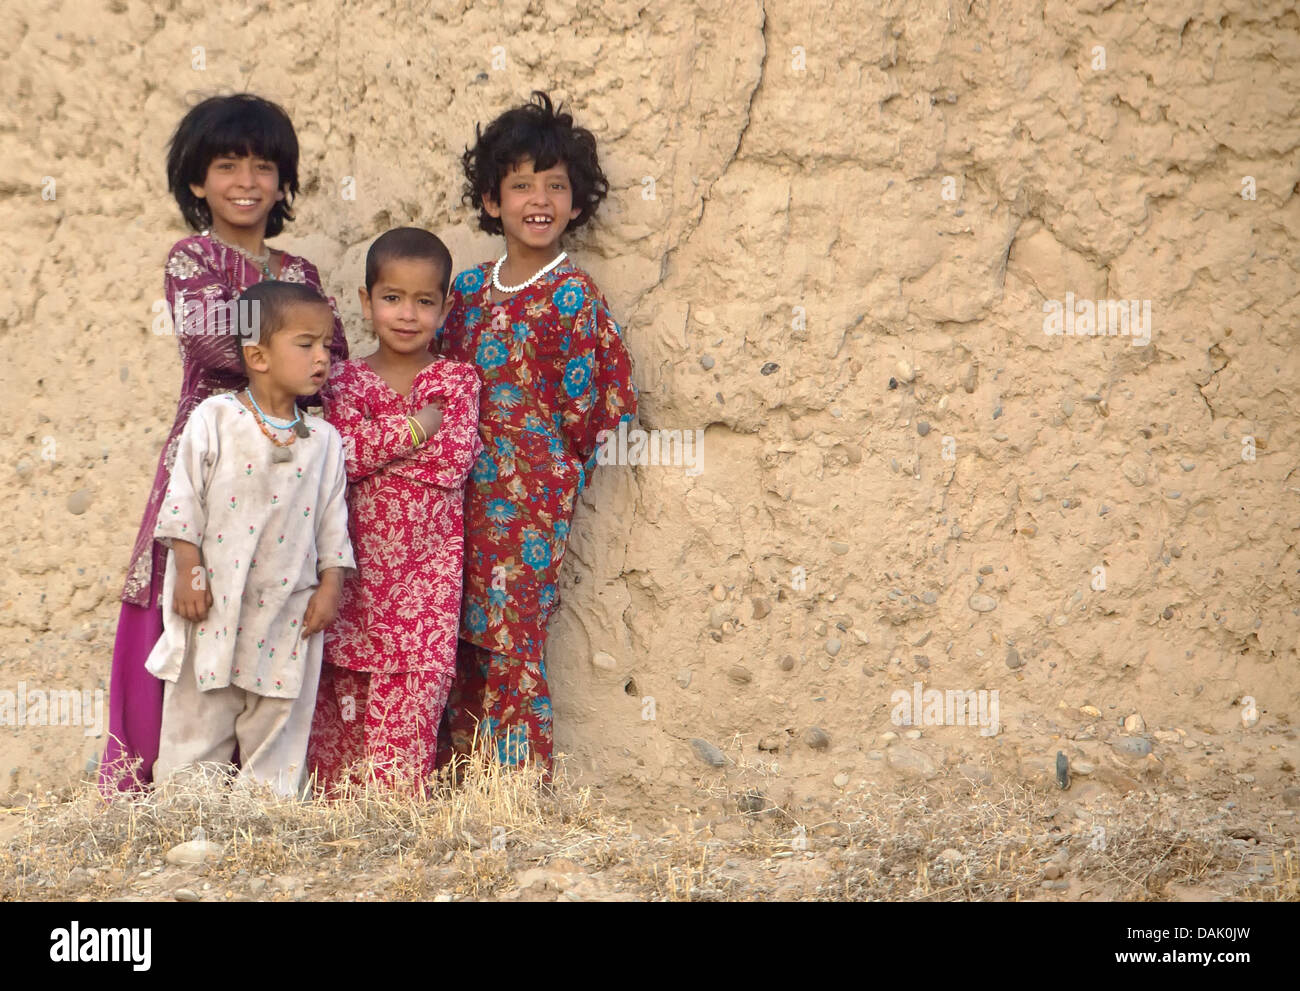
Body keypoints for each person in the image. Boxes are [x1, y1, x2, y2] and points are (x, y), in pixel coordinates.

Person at [102, 94, 349, 794]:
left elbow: (336, 355)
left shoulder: (299, 271)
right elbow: (214, 348)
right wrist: (292, 342)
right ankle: (160, 787)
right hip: (209, 460)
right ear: (196, 181)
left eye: (264, 165)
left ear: (284, 181)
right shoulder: (192, 259)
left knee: (274, 601)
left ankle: (258, 792)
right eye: (227, 164)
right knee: (190, 600)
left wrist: (302, 348)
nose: (246, 180)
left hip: (290, 470)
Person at [434, 91, 638, 780]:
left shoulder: (574, 297)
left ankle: (514, 788)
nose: (540, 199)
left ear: (577, 203)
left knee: (512, 641)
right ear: (492, 200)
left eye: (556, 185)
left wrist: (542, 467)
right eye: (521, 184)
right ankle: (454, 780)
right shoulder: (462, 292)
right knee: (454, 635)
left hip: (529, 512)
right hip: (453, 502)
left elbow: (602, 412)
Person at [146, 281, 355, 798]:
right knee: (202, 703)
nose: (321, 357)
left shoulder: (324, 439)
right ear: (258, 356)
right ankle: (185, 809)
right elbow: (183, 502)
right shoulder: (215, 419)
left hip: (288, 606)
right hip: (214, 601)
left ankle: (269, 814)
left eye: (326, 346)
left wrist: (330, 588)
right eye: (305, 344)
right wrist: (190, 573)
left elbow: (333, 519)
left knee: (280, 709)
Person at [306, 228, 482, 794]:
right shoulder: (343, 380)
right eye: (391, 298)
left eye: (424, 301)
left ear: (445, 308)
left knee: (409, 714)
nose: (407, 314)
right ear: (365, 301)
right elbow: (337, 457)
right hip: (354, 582)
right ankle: (338, 836)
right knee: (341, 720)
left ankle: (398, 825)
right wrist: (414, 429)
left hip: (425, 587)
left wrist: (374, 449)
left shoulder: (458, 380)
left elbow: (451, 465)